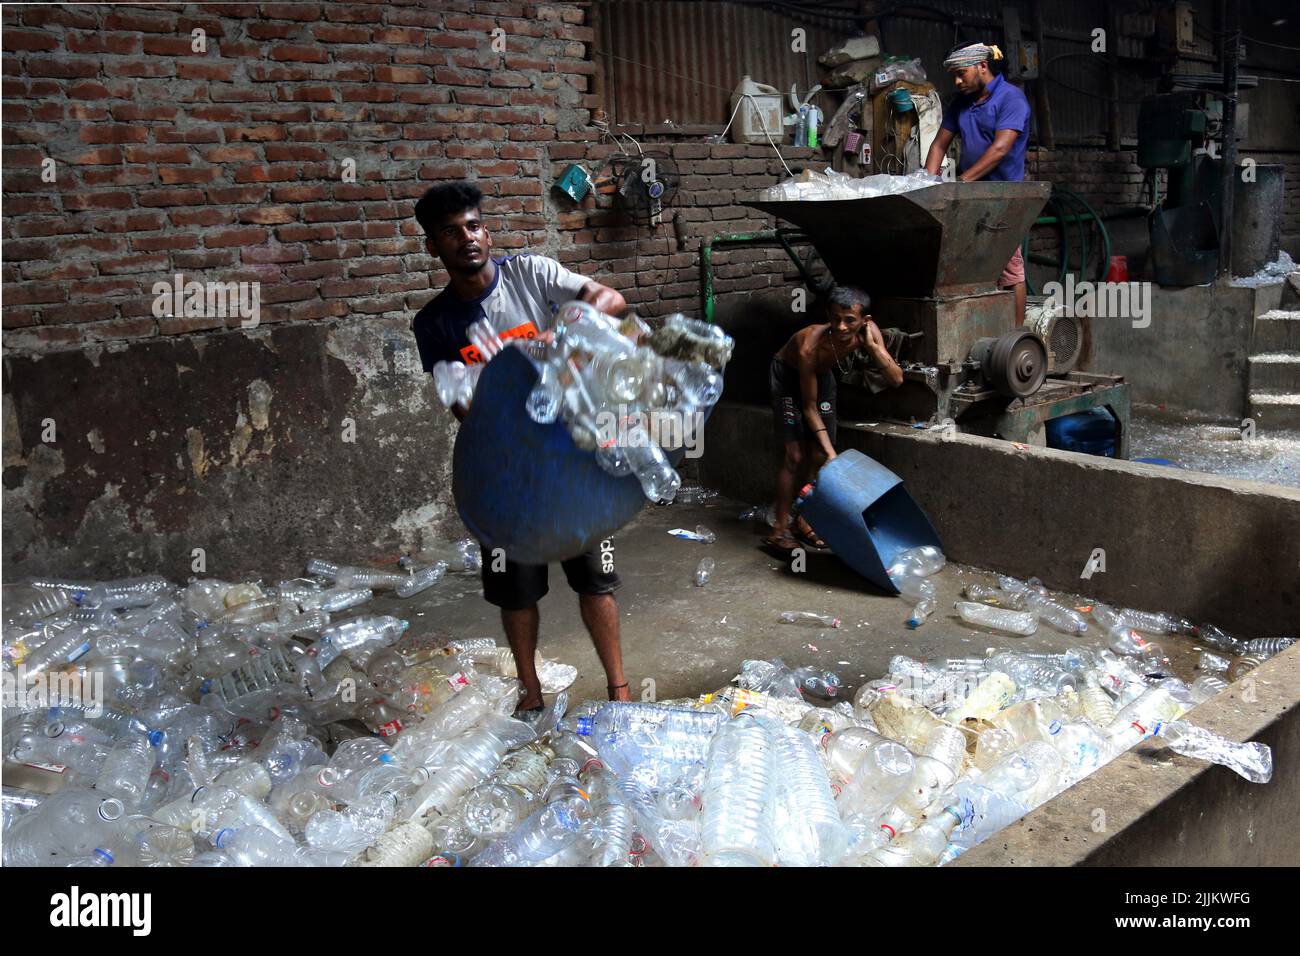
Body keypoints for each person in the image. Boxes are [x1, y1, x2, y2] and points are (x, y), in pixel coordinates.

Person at [411, 180, 633, 711]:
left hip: (576, 464)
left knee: (596, 582)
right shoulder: (435, 323)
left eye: (473, 226)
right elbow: (461, 404)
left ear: (486, 231)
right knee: (517, 592)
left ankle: (620, 691)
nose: (466, 238)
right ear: (433, 246)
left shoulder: (532, 273)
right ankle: (529, 692)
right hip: (506, 477)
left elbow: (612, 300)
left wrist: (572, 328)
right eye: (449, 232)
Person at [767, 285, 903, 552]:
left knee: (818, 456)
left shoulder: (869, 333)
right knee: (795, 455)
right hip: (788, 376)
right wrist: (833, 453)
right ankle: (779, 528)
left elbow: (896, 379)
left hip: (822, 375)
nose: (840, 327)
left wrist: (873, 349)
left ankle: (804, 521)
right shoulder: (809, 345)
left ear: (865, 321)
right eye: (835, 318)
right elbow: (808, 407)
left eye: (849, 320)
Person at [923, 41, 1033, 325]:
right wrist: (928, 185)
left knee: (1009, 268)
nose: (957, 81)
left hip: (1003, 198)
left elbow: (1000, 149)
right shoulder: (961, 104)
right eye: (954, 76)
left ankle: (1016, 337)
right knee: (969, 266)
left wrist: (961, 182)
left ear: (982, 66)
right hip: (969, 197)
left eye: (961, 74)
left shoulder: (1011, 99)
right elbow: (938, 147)